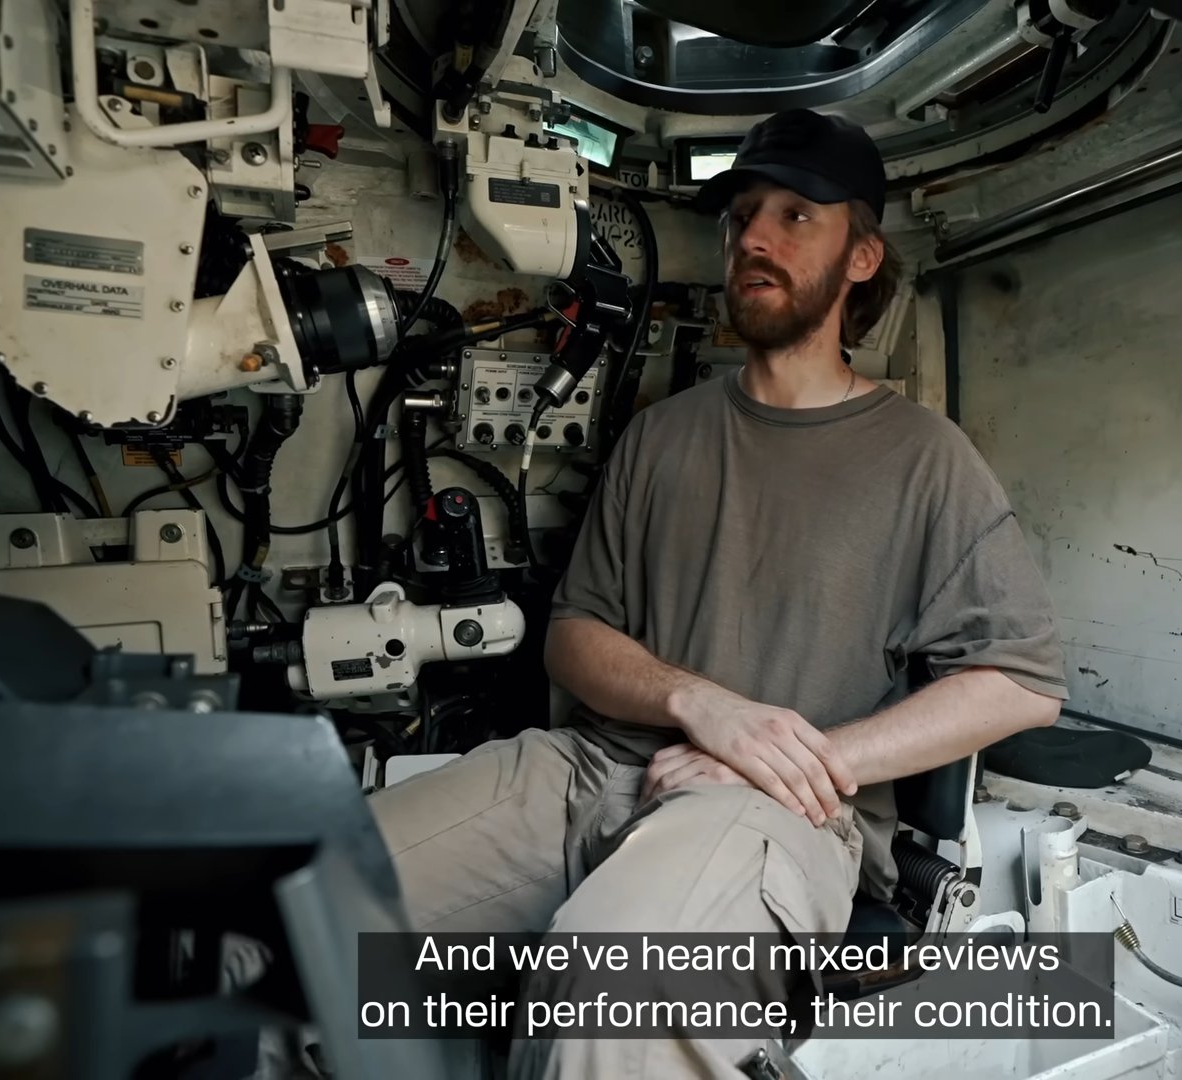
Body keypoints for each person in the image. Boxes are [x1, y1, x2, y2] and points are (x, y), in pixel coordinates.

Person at [368, 108, 1068, 1077]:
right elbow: (574, 634)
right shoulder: (663, 435)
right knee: (303, 897)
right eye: (743, 217)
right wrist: (702, 705)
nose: (754, 239)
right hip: (589, 772)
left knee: (614, 991)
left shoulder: (923, 459)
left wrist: (789, 759)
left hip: (783, 811)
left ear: (862, 258)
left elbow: (1021, 682)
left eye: (795, 216)